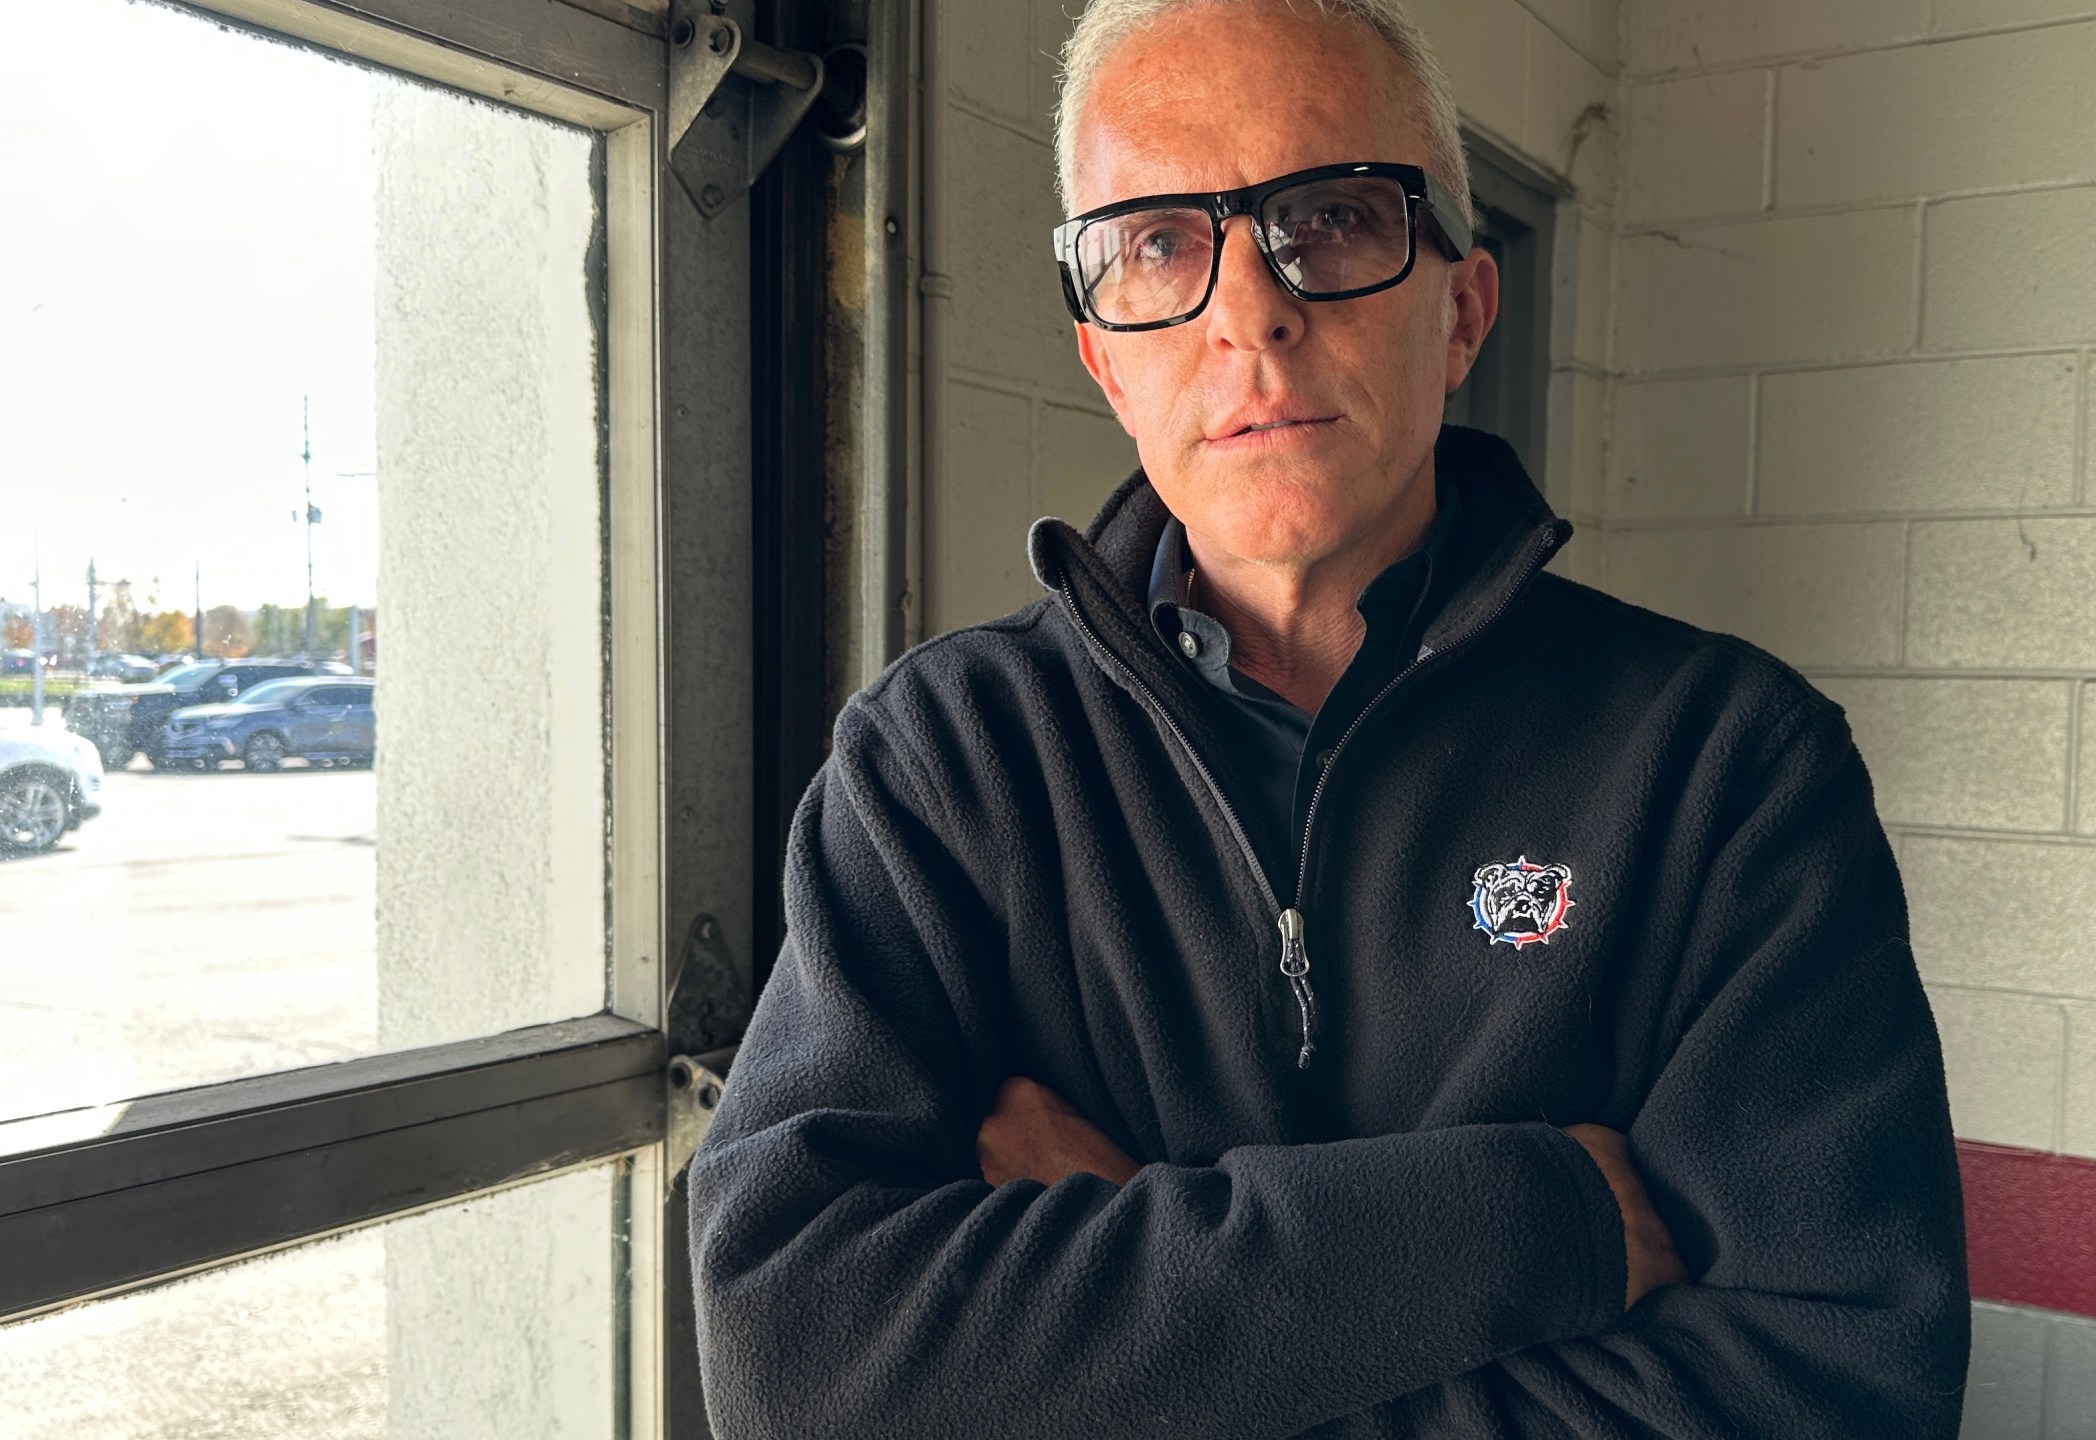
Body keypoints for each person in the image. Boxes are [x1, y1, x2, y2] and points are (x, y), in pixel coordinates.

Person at [687, 0, 1970, 1434]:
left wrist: (1130, 1328)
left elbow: (1833, 1397)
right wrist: (1523, 1220)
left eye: (1336, 218)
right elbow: (792, 1365)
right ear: (1109, 363)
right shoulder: (945, 767)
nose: (1250, 311)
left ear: (1463, 313)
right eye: (1161, 244)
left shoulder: (1726, 772)